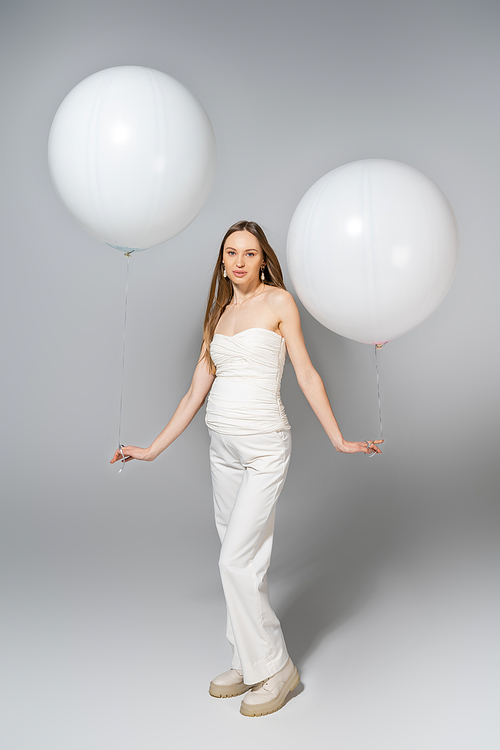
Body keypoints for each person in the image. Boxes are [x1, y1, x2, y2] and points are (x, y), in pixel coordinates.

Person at [111, 220, 382, 717]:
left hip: (264, 449)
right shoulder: (217, 313)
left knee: (234, 560)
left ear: (263, 260)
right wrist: (152, 449)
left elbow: (305, 371)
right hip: (223, 450)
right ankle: (244, 657)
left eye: (250, 253)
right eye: (231, 253)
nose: (239, 261)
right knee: (246, 561)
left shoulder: (278, 303)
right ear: (222, 261)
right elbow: (197, 387)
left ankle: (276, 670)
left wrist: (339, 439)